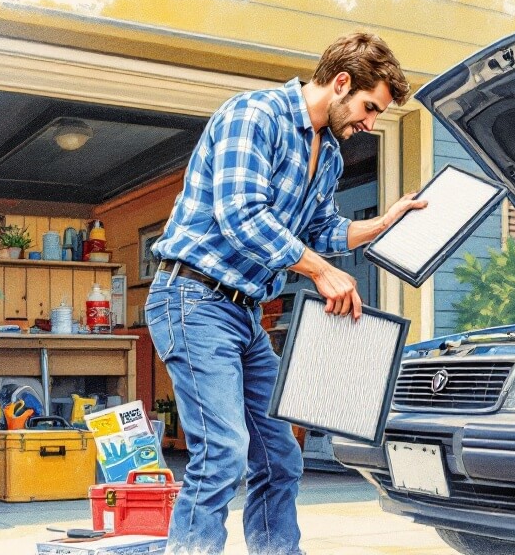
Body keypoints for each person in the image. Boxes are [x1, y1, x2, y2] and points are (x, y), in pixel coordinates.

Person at [145, 31, 424, 555]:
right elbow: (241, 216)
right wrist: (321, 273)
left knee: (279, 456)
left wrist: (382, 224)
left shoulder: (331, 157)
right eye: (368, 107)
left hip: (245, 314)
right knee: (223, 453)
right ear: (340, 83)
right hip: (194, 300)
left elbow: (321, 232)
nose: (369, 123)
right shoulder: (255, 116)